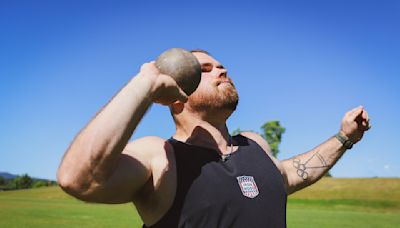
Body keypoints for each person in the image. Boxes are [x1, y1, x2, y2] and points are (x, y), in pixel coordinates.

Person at [57, 49, 371, 228]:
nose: (221, 70)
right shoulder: (160, 156)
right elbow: (78, 178)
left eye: (221, 66)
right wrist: (145, 84)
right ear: (177, 93)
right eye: (205, 69)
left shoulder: (253, 143)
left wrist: (344, 137)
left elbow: (291, 173)